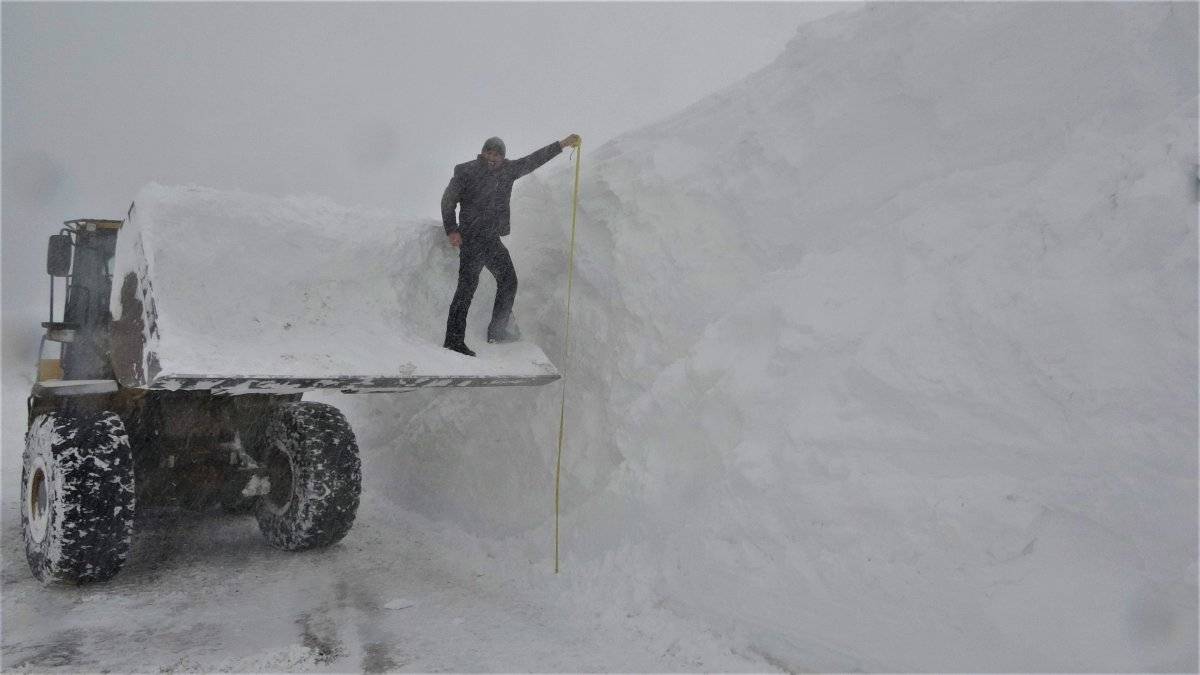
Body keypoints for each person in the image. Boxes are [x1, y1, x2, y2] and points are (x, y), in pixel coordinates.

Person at [441, 133, 581, 356]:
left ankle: (497, 331)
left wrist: (562, 144)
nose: (493, 157)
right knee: (466, 288)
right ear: (483, 152)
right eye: (489, 152)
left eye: (497, 154)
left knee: (508, 280)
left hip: (490, 239)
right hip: (471, 237)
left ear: (503, 157)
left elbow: (534, 159)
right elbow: (448, 200)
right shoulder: (466, 170)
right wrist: (452, 230)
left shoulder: (508, 171)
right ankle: (453, 340)